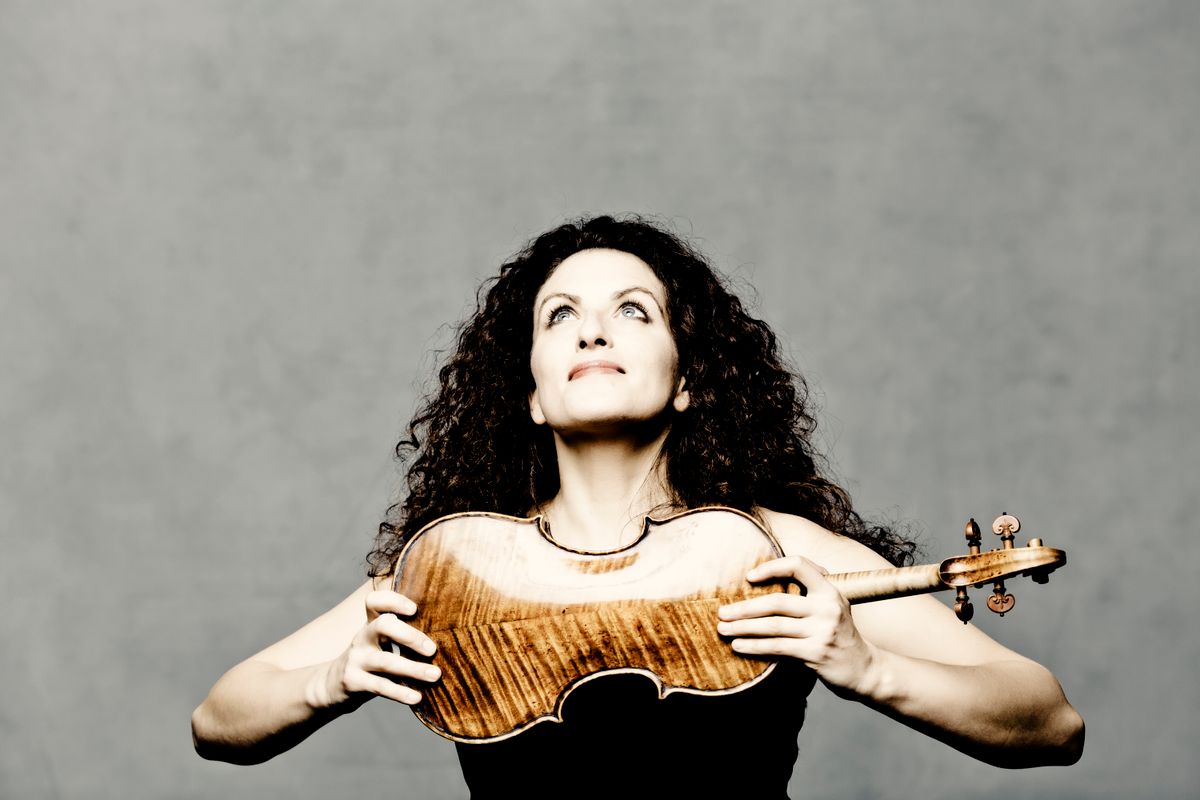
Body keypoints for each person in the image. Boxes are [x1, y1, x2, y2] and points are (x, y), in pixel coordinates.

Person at [192, 215, 1084, 797]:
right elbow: (219, 720)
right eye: (559, 315)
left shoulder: (769, 549)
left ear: (688, 380)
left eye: (633, 311)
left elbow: (1050, 721)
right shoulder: (461, 570)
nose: (592, 329)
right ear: (531, 396)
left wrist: (870, 667)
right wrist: (331, 680)